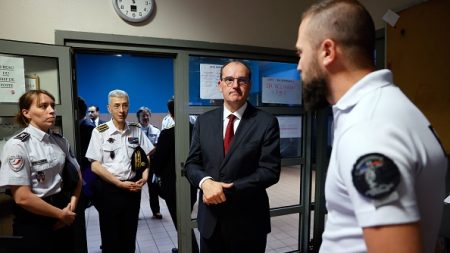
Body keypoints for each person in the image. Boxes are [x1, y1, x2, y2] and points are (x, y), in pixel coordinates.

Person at [296, 1, 448, 252]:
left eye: (301, 53)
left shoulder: (369, 127)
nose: (299, 66)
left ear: (327, 51)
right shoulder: (394, 108)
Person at [185, 60, 281, 253]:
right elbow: (191, 164)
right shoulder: (204, 122)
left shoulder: (266, 122)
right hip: (211, 222)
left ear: (250, 85)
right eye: (229, 80)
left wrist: (227, 189)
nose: (235, 85)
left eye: (241, 80)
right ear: (220, 85)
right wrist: (205, 183)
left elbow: (270, 171)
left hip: (248, 221)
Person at [0, 90, 82, 253]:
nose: (51, 110)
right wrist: (60, 215)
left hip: (63, 210)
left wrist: (69, 209)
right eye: (43, 106)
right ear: (26, 113)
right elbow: (22, 197)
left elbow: (78, 178)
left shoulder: (60, 141)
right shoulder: (18, 145)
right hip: (34, 219)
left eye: (52, 105)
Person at [85, 89, 155, 253]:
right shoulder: (99, 132)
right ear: (109, 108)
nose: (121, 110)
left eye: (124, 105)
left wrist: (144, 176)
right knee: (111, 238)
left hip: (132, 190)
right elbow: (95, 165)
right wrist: (118, 183)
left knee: (129, 235)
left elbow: (147, 155)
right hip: (109, 190)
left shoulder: (136, 129)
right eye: (116, 106)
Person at [153, 97, 199, 253]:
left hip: (173, 186)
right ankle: (184, 247)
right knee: (185, 218)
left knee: (180, 221)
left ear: (170, 114)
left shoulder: (167, 134)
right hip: (193, 183)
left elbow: (157, 163)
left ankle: (191, 249)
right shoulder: (196, 131)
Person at [136, 106, 162, 219]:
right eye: (143, 116)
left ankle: (156, 211)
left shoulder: (156, 131)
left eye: (147, 115)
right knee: (136, 190)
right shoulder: (134, 131)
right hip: (137, 165)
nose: (145, 117)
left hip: (152, 165)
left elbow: (156, 147)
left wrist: (145, 153)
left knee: (154, 189)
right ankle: (134, 212)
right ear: (138, 118)